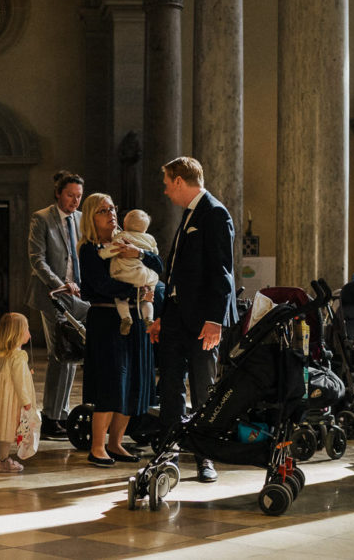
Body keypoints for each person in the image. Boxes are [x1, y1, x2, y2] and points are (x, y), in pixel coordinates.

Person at [149, 156, 236, 483]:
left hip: (202, 323)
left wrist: (215, 319)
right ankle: (166, 452)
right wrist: (161, 318)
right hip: (175, 322)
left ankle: (206, 457)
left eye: (168, 183)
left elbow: (222, 272)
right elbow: (175, 275)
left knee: (203, 391)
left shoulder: (215, 213)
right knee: (170, 388)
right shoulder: (188, 215)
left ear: (181, 181)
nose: (166, 190)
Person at [79, 193, 163, 467]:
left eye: (113, 208)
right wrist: (137, 288)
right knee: (111, 381)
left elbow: (159, 266)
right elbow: (100, 285)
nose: (111, 214)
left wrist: (139, 254)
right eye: (103, 210)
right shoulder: (90, 249)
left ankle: (116, 443)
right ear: (91, 217)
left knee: (133, 382)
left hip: (136, 318)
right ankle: (97, 446)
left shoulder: (128, 239)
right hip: (106, 320)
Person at [26, 170, 88, 440]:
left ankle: (62, 414)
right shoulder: (42, 218)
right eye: (70, 195)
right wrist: (59, 284)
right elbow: (37, 258)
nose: (75, 201)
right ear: (58, 194)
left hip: (77, 295)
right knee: (59, 353)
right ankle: (51, 416)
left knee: (73, 352)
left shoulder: (82, 219)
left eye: (79, 196)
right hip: (52, 294)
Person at [0, 312, 37, 473]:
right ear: (18, 333)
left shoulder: (7, 355)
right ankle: (4, 461)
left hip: (2, 397)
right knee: (8, 430)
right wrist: (26, 402)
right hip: (13, 399)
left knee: (2, 430)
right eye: (27, 329)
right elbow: (19, 383)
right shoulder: (19, 356)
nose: (30, 333)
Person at [98, 209, 160, 335]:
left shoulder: (123, 236)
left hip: (128, 274)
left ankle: (126, 318)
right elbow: (156, 254)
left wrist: (102, 253)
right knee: (147, 300)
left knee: (121, 298)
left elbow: (112, 250)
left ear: (125, 225)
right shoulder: (150, 238)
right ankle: (149, 318)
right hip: (147, 275)